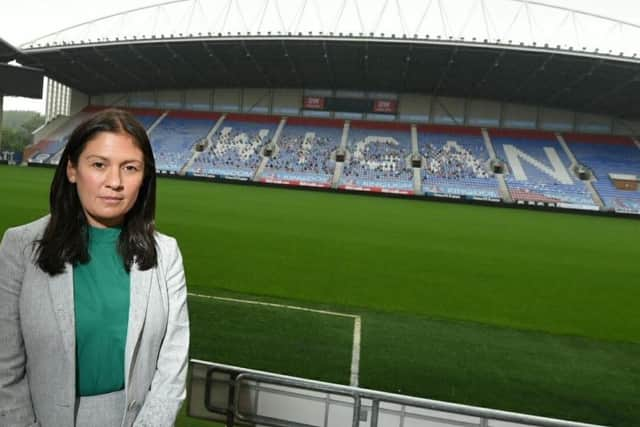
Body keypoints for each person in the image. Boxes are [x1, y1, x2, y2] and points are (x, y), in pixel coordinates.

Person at [0, 109, 190, 427]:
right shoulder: (19, 246)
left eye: (130, 168)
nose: (114, 183)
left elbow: (173, 364)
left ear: (145, 178)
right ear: (72, 169)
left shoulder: (166, 253)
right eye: (99, 165)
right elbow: (4, 366)